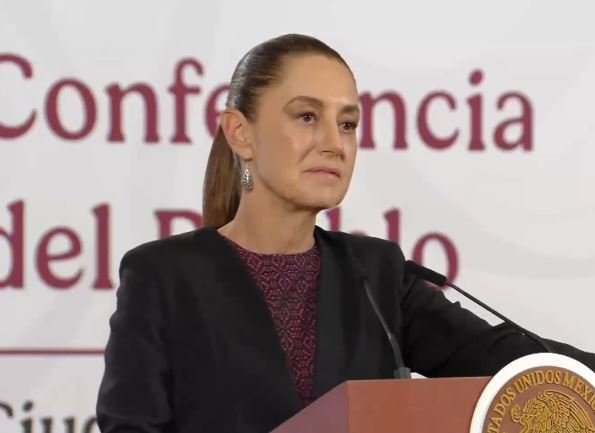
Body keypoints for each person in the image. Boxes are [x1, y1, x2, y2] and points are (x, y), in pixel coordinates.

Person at [96, 34, 595, 433]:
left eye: (349, 123)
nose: (335, 143)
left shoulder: (376, 275)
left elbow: (508, 360)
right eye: (307, 117)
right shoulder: (162, 276)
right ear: (240, 133)